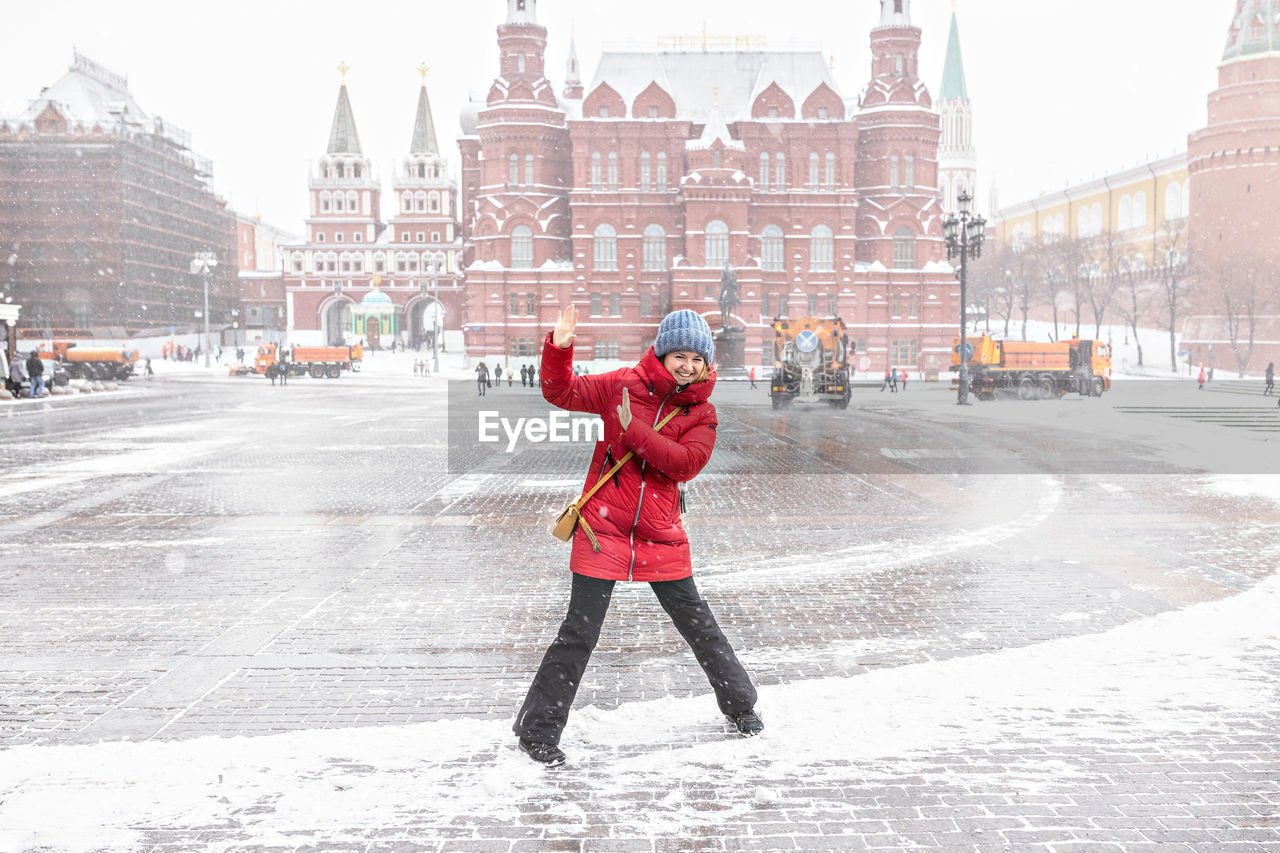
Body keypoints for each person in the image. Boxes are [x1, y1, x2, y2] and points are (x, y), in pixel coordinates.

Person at [513, 306, 762, 767]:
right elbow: (561, 391)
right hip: (603, 528)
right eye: (679, 355)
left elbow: (684, 463)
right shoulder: (622, 384)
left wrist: (632, 430)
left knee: (698, 624)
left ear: (707, 364)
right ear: (663, 353)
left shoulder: (703, 413)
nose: (687, 365)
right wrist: (560, 348)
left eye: (696, 358)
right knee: (578, 633)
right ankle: (537, 731)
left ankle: (741, 704)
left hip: (659, 533)